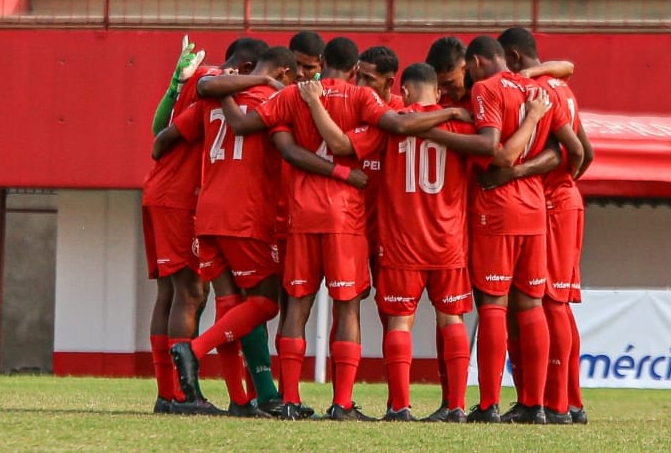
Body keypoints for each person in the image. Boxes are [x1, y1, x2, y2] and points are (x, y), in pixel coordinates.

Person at [218, 38, 467, 421]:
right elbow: (376, 132)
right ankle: (344, 403)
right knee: (347, 307)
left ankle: (288, 400)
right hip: (350, 220)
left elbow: (241, 124)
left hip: (303, 217)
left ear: (319, 65)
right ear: (354, 71)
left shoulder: (294, 96)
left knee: (296, 305)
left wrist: (223, 85)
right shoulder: (367, 103)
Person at [298, 62, 501, 422]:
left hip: (401, 241)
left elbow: (343, 144)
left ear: (403, 91)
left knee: (398, 323)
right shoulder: (460, 124)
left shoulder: (389, 124)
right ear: (437, 91)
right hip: (448, 239)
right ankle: (455, 407)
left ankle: (399, 407)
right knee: (451, 319)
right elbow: (493, 155)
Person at [158, 48, 311, 417]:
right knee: (267, 301)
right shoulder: (276, 98)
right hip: (245, 216)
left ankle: (240, 400)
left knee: (229, 305)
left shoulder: (213, 97)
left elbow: (160, 137)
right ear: (285, 73)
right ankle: (193, 350)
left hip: (207, 213)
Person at [446, 36, 583, 424]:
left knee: (492, 303)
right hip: (536, 207)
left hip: (497, 207)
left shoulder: (485, 90)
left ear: (475, 61)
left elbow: (496, 152)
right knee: (532, 304)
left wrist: (509, 167)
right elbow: (569, 150)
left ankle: (489, 404)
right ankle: (536, 405)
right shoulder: (540, 90)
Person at [141, 36, 266, 414]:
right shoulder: (212, 79)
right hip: (178, 198)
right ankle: (181, 394)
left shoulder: (200, 78)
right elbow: (162, 137)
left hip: (164, 191)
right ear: (245, 69)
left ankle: (169, 394)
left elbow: (160, 134)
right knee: (191, 293)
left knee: (172, 293)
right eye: (259, 75)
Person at [497, 27, 594, 425]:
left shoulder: (541, 93)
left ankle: (556, 403)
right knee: (561, 303)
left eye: (505, 63)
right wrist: (571, 179)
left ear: (515, 58)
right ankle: (570, 401)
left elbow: (571, 150)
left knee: (549, 300)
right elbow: (586, 152)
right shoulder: (562, 87)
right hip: (566, 199)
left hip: (552, 202)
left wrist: (542, 177)